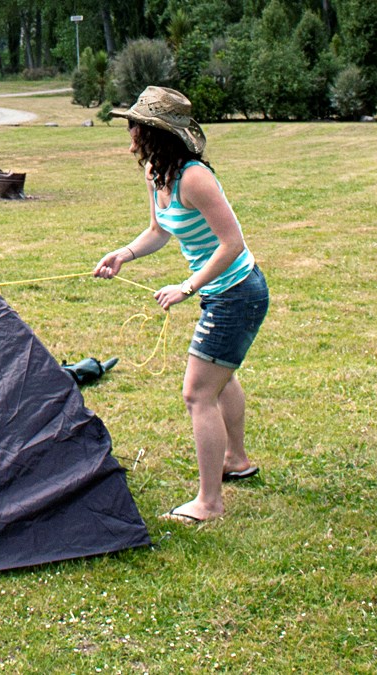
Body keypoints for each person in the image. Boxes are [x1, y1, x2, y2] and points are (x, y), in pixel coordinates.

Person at [93, 86, 269, 524]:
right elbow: (158, 231)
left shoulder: (194, 178)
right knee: (220, 380)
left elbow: (232, 244)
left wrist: (187, 287)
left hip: (239, 292)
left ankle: (209, 504)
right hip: (220, 293)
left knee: (197, 392)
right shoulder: (156, 172)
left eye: (136, 124)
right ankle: (237, 460)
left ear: (156, 131)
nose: (129, 131)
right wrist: (123, 254)